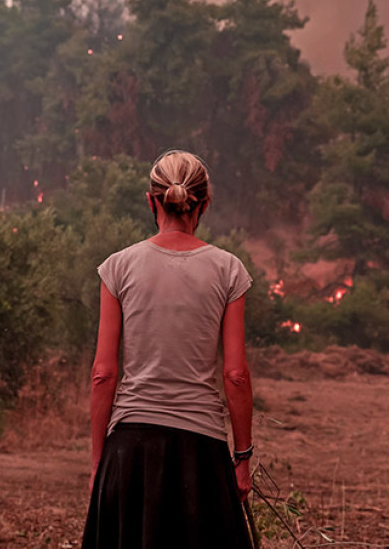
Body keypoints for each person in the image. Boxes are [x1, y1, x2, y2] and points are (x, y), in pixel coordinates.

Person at [82, 150, 255, 549]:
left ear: (151, 200)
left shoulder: (118, 267)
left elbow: (104, 374)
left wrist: (99, 465)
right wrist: (242, 458)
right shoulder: (229, 270)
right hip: (202, 454)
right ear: (205, 203)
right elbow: (235, 375)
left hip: (130, 453)